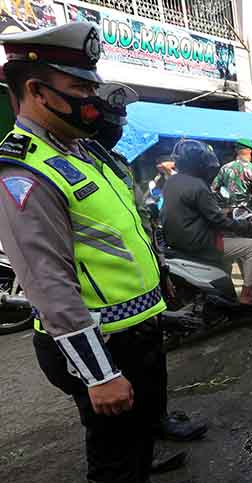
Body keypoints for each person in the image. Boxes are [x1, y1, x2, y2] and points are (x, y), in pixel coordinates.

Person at [0, 23, 196, 483]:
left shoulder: (77, 151)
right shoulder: (19, 175)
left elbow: (120, 231)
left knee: (142, 424)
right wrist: (99, 374)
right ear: (35, 91)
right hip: (97, 344)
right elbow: (48, 285)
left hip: (136, 327)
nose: (91, 104)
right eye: (79, 93)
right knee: (112, 444)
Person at [92, 83, 208, 445]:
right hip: (102, 314)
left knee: (152, 371)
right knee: (118, 401)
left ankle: (157, 424)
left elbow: (141, 223)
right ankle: (141, 459)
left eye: (119, 122)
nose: (116, 129)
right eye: (108, 121)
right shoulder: (66, 166)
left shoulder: (116, 165)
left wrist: (160, 270)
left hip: (144, 296)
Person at [161, 140, 252, 307]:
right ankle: (247, 295)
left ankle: (223, 291)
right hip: (200, 242)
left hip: (178, 241)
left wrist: (221, 211)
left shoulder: (172, 182)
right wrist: (249, 226)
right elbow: (218, 219)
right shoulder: (198, 185)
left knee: (230, 246)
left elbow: (205, 202)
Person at [211, 138, 252, 215]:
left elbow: (213, 190)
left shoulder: (225, 168)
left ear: (236, 151)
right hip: (247, 215)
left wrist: (222, 207)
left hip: (228, 214)